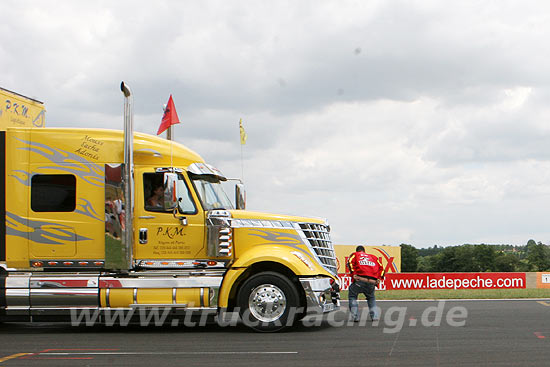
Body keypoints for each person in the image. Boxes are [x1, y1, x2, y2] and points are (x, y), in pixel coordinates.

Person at [347, 245, 383, 322]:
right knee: (371, 297)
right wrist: (379, 278)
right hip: (372, 281)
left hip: (360, 279)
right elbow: (381, 268)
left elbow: (350, 262)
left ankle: (355, 317)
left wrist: (353, 274)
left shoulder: (355, 255)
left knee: (352, 296)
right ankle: (375, 317)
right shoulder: (373, 257)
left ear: (357, 251)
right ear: (364, 251)